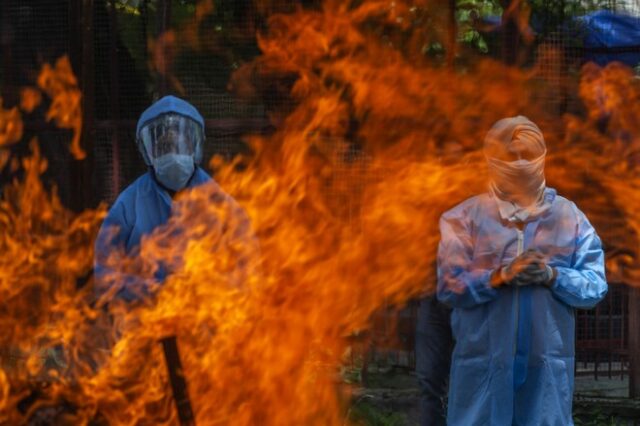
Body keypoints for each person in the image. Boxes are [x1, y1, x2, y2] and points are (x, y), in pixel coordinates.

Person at [436, 116, 607, 425]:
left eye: (526, 155)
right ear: (492, 159)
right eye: (509, 156)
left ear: (542, 157)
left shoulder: (569, 217)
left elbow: (594, 286)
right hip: (483, 373)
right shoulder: (464, 218)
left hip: (546, 376)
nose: (518, 163)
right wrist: (497, 278)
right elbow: (450, 287)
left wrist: (553, 276)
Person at [94, 95, 255, 302]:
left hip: (205, 320)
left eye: (179, 146)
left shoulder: (218, 202)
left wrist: (209, 289)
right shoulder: (130, 202)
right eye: (165, 147)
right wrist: (151, 291)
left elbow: (248, 264)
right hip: (143, 322)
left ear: (194, 147)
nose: (173, 154)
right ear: (149, 151)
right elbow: (104, 272)